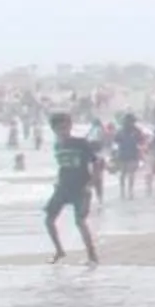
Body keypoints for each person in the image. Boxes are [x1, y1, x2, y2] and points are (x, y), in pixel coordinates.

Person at [44, 111, 101, 264]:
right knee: (49, 219)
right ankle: (59, 251)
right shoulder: (57, 145)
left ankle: (92, 255)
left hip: (81, 187)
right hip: (63, 187)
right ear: (53, 129)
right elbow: (64, 166)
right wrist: (57, 182)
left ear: (70, 126)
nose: (63, 131)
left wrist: (91, 183)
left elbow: (96, 162)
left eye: (65, 127)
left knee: (80, 221)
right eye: (59, 128)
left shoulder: (80, 143)